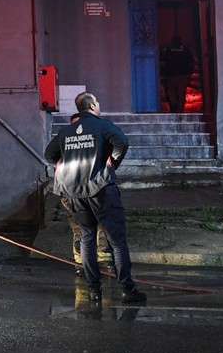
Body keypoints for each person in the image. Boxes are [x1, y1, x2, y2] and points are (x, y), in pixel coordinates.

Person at [44, 91, 146, 305]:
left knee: (87, 238)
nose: (98, 105)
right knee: (116, 241)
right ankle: (128, 289)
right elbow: (122, 143)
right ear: (91, 106)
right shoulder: (102, 125)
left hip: (76, 192)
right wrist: (112, 164)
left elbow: (49, 154)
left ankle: (94, 291)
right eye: (97, 102)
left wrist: (66, 166)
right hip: (101, 189)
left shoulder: (67, 131)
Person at [59, 112, 114, 277]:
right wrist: (66, 198)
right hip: (75, 196)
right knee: (79, 231)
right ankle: (81, 264)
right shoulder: (65, 149)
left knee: (102, 229)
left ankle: (103, 263)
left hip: (97, 195)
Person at [159, 34, 194, 113]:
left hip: (171, 75)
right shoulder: (185, 49)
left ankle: (174, 107)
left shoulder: (167, 49)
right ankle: (180, 109)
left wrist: (163, 74)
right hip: (182, 75)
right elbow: (191, 62)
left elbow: (162, 62)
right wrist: (190, 73)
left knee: (171, 93)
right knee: (182, 93)